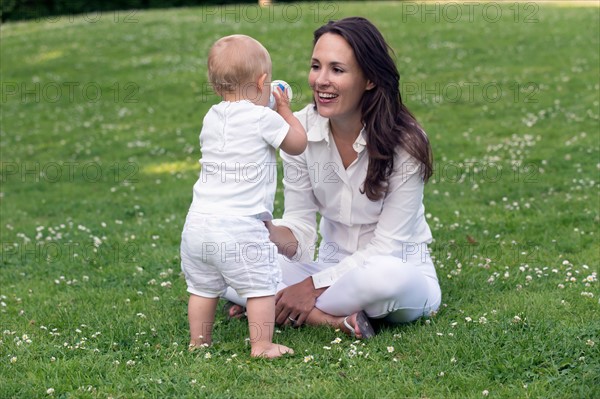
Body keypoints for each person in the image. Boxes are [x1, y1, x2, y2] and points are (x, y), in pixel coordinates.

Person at [225, 17, 442, 339]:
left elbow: (388, 247)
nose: (320, 80)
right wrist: (263, 230)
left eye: (337, 70)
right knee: (229, 257)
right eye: (316, 66)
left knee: (385, 277)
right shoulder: (297, 132)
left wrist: (309, 287)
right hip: (327, 267)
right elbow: (300, 228)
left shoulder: (406, 141)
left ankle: (270, 302)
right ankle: (329, 319)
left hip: (396, 270)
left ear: (368, 79)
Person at [180, 34, 306, 358]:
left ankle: (199, 343)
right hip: (239, 226)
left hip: (198, 224)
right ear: (263, 81)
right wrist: (285, 110)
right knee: (260, 286)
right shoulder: (264, 118)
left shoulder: (211, 116)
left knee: (203, 289)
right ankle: (262, 345)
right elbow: (296, 143)